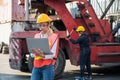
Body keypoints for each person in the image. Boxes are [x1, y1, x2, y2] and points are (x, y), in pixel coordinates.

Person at [30, 13, 59, 80]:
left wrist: (42, 55)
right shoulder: (36, 36)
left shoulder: (54, 37)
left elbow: (53, 54)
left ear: (49, 25)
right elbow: (32, 54)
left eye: (44, 25)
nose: (41, 27)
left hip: (47, 67)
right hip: (36, 66)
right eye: (40, 25)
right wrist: (34, 53)